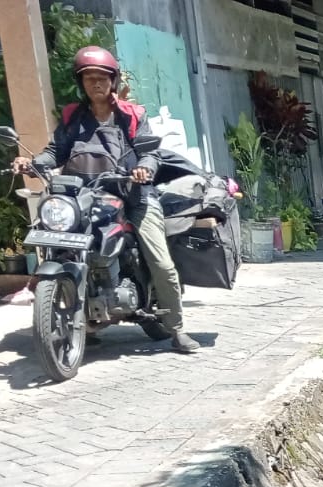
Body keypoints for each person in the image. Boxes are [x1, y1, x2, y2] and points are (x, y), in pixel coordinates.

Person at [12, 45, 195, 353]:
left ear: (113, 80)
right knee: (58, 239)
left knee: (161, 263)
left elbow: (149, 151)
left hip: (132, 195)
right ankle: (83, 310)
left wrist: (143, 169)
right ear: (81, 83)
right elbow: (55, 151)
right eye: (88, 78)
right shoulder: (74, 117)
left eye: (101, 77)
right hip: (86, 195)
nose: (95, 83)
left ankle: (176, 328)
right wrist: (31, 162)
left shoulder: (131, 115)